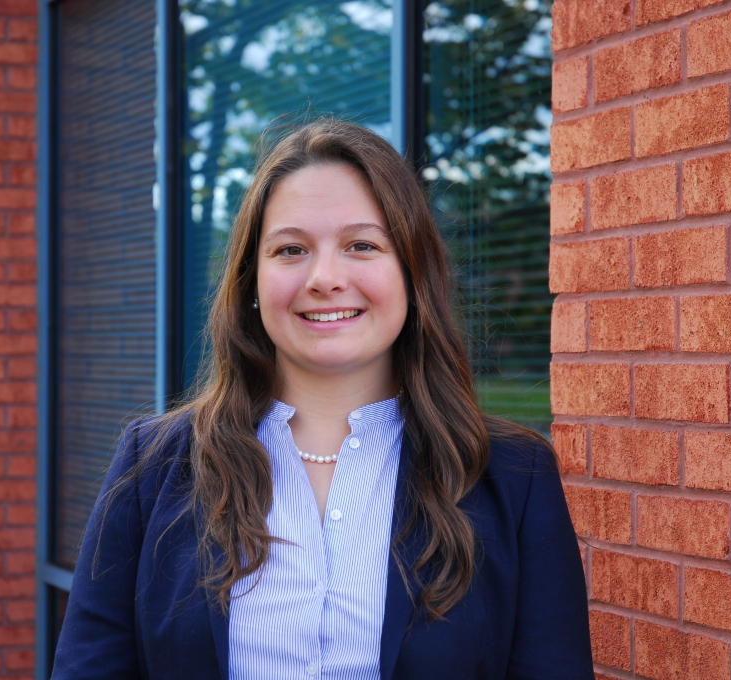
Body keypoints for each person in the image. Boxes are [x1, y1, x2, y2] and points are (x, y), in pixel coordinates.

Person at [51, 119, 593, 680]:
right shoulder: (153, 466)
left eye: (361, 245)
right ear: (251, 283)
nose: (325, 277)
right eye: (290, 250)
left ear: (411, 272)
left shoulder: (513, 477)